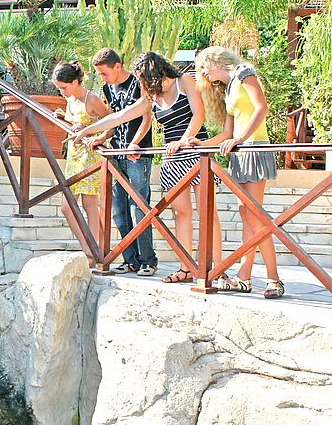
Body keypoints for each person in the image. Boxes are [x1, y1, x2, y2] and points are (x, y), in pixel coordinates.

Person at [70, 51, 223, 283]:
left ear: (152, 74)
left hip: (196, 150)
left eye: (142, 79)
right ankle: (186, 268)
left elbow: (198, 115)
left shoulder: (184, 82)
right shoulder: (152, 96)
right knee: (180, 213)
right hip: (172, 157)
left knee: (207, 212)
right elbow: (120, 116)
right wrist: (87, 131)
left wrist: (185, 140)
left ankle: (216, 267)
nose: (139, 84)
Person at [193, 46, 285, 299]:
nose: (202, 73)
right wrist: (200, 144)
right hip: (240, 151)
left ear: (214, 62)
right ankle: (244, 277)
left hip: (254, 149)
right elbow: (226, 134)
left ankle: (274, 279)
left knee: (256, 217)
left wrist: (240, 139)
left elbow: (261, 107)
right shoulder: (229, 87)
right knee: (246, 215)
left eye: (203, 67)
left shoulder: (244, 72)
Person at [87, 48, 157, 276]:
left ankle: (148, 259)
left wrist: (135, 143)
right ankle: (130, 259)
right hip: (115, 155)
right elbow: (114, 119)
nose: (102, 78)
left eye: (104, 73)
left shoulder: (138, 83)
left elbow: (147, 118)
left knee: (139, 207)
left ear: (117, 66)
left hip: (137, 156)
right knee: (118, 209)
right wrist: (102, 136)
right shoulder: (109, 87)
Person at [50, 61, 112, 262]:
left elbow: (111, 122)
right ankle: (87, 247)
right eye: (59, 88)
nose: (62, 92)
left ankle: (93, 251)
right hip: (75, 157)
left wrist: (98, 137)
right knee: (67, 206)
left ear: (76, 81)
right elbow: (75, 123)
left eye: (64, 87)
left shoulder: (91, 99)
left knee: (89, 203)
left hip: (91, 156)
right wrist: (64, 117)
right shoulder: (71, 101)